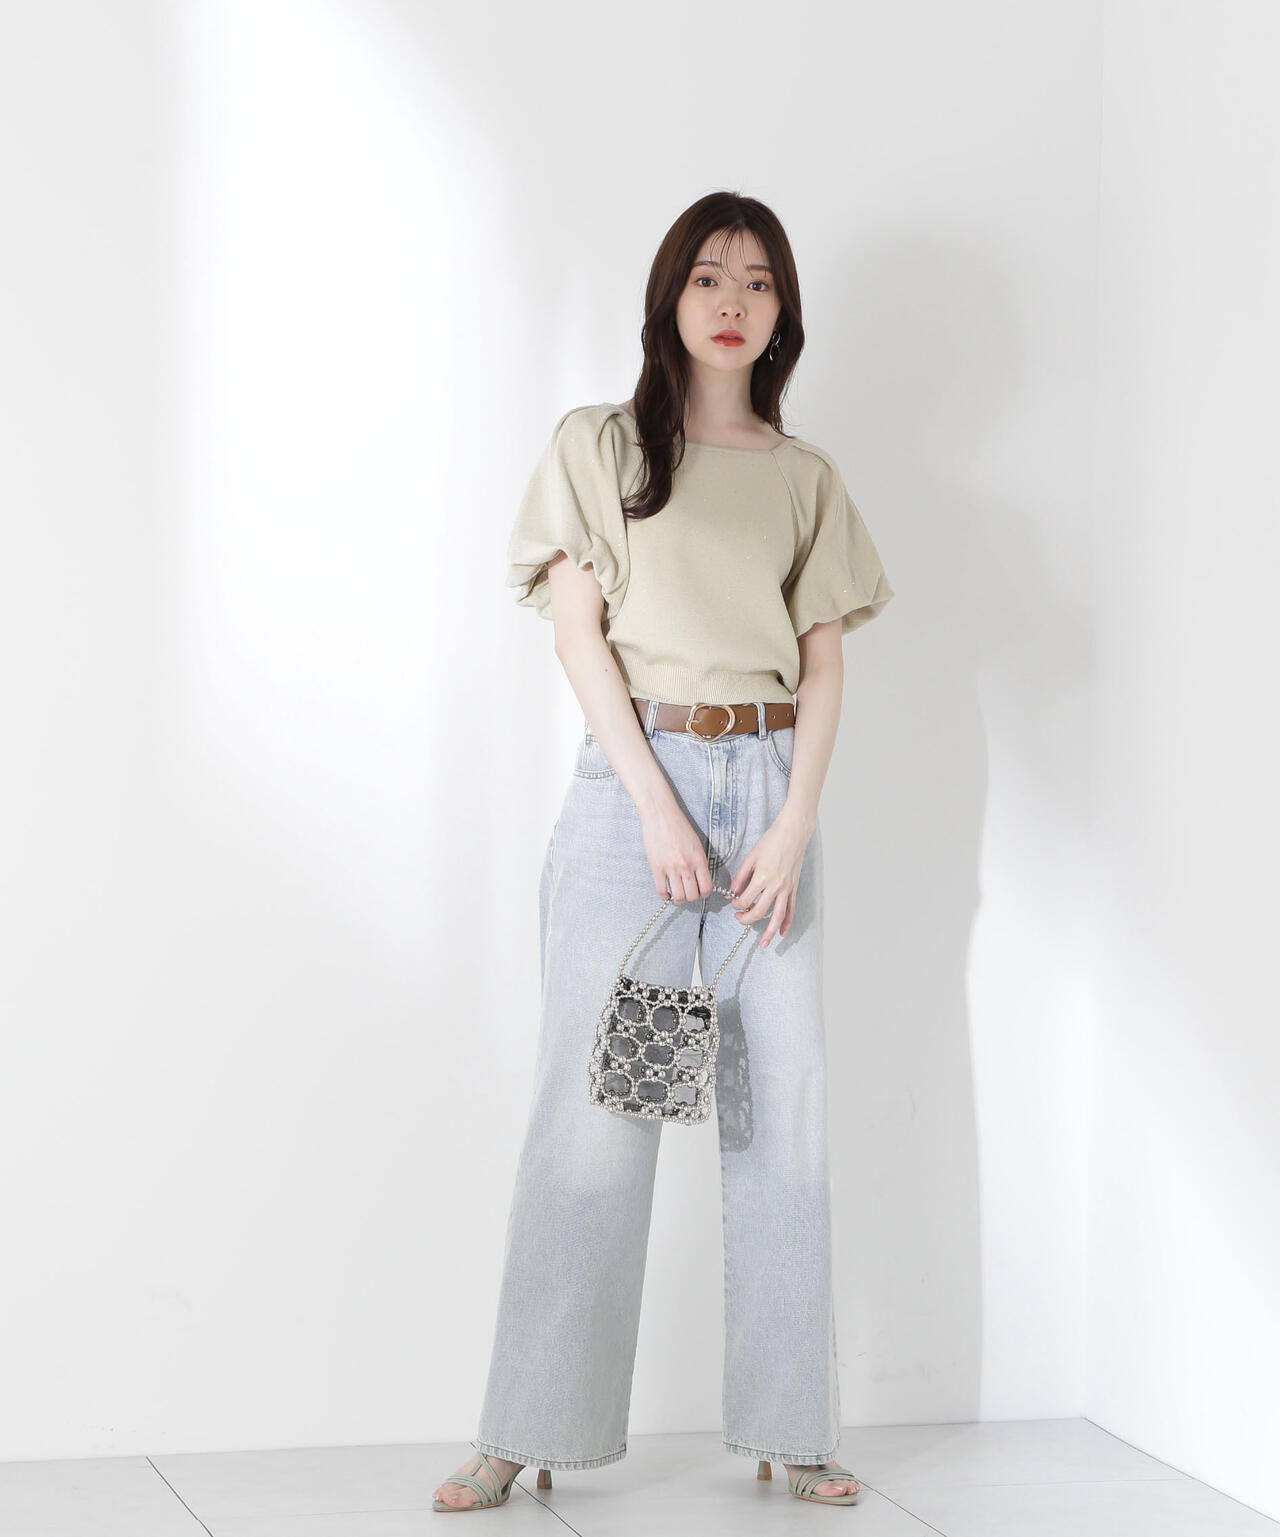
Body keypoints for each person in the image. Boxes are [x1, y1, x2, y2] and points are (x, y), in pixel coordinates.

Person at [433, 191, 894, 1514]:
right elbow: (578, 635)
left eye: (757, 280)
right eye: (707, 275)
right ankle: (525, 1423)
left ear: (782, 311)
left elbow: (821, 664)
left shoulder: (805, 478)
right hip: (634, 795)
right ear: (669, 297)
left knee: (779, 1109)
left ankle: (794, 1428)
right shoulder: (603, 445)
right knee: (596, 1110)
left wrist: (793, 824)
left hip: (770, 799)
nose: (732, 300)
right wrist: (652, 802)